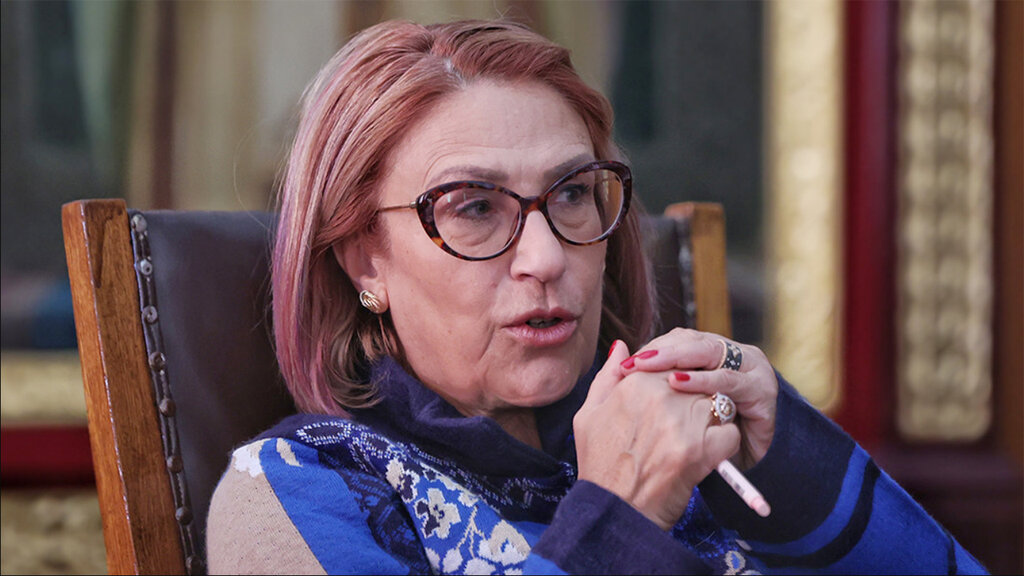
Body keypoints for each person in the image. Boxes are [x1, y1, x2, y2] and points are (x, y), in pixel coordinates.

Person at [206, 19, 987, 575]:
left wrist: (793, 454)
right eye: (474, 207)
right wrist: (620, 516)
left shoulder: (697, 444)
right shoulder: (298, 490)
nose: (547, 257)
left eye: (573, 194)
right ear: (363, 263)